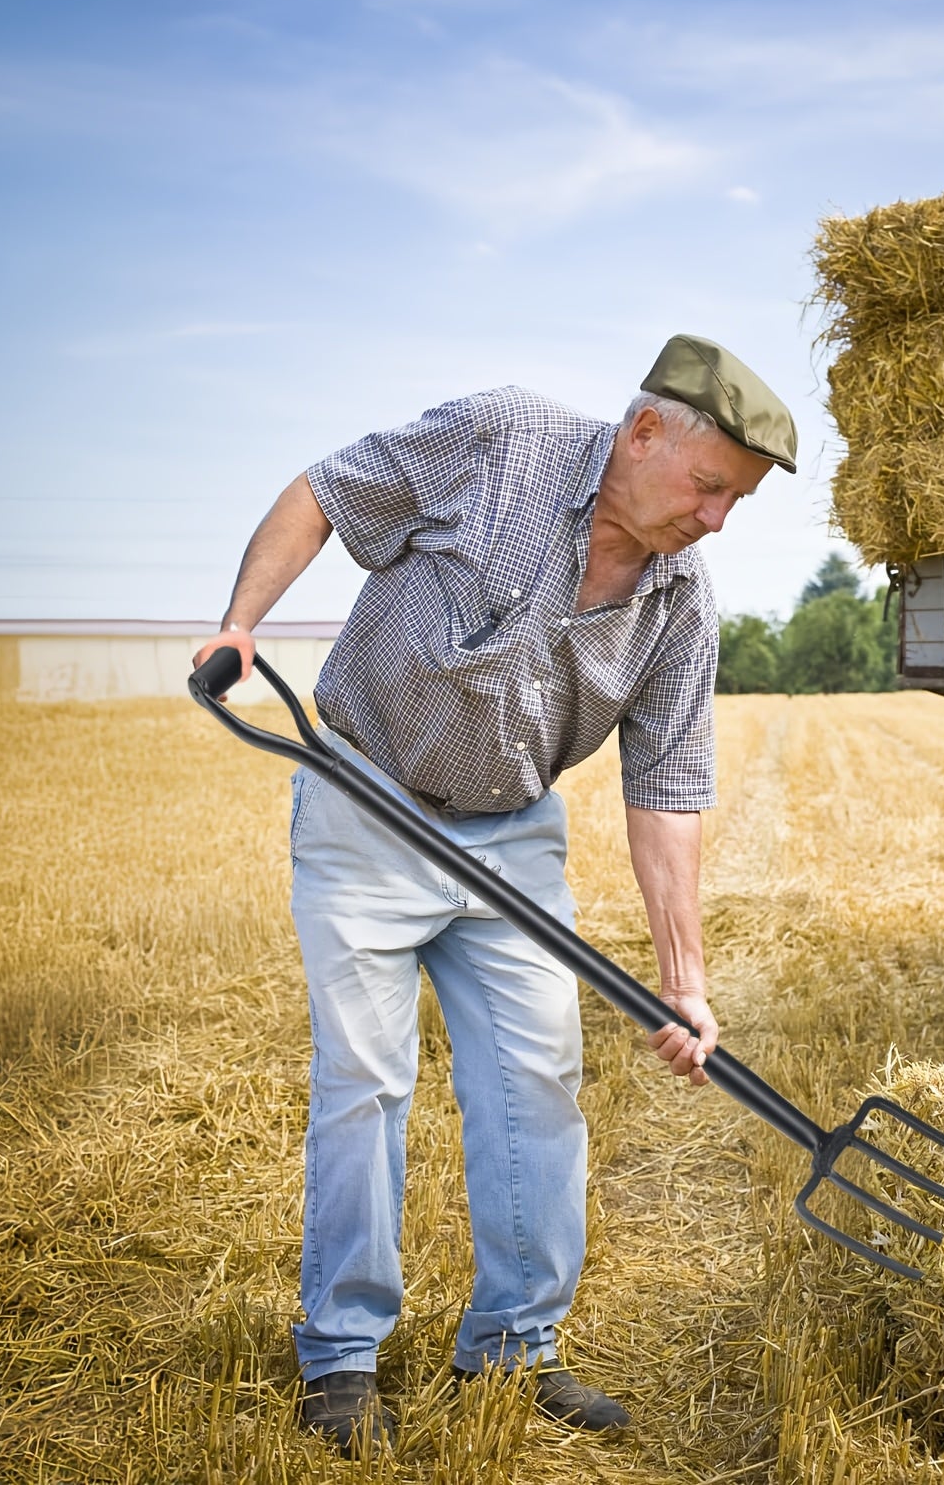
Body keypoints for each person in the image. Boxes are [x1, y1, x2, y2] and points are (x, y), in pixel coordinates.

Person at [192, 335, 797, 1456]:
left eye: (738, 504)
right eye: (711, 488)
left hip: (513, 833)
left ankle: (517, 1347)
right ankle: (341, 1359)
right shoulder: (501, 440)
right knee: (367, 1084)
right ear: (645, 432)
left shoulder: (679, 604)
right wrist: (243, 621)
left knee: (537, 1087)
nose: (717, 520)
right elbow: (325, 492)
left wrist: (685, 983)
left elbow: (666, 788)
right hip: (367, 796)